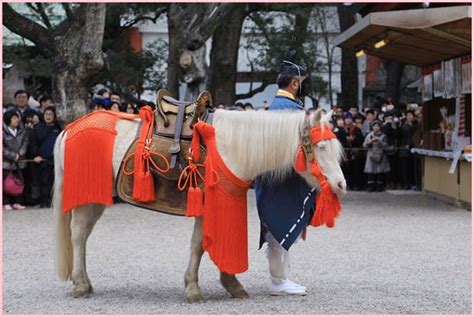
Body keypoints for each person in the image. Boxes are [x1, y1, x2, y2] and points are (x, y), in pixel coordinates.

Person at [254, 54, 312, 296]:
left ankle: (281, 278)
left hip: (273, 177)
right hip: (282, 179)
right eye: (303, 82)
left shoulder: (276, 107)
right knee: (278, 230)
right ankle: (278, 281)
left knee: (278, 228)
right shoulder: (289, 110)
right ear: (295, 83)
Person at [30, 106, 62, 207]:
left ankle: (56, 201)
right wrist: (36, 155)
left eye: (51, 114)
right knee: (44, 181)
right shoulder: (38, 128)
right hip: (42, 159)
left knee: (56, 181)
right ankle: (44, 201)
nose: (48, 116)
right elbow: (33, 143)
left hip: (56, 160)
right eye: (46, 114)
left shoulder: (59, 128)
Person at [3, 110, 29, 210]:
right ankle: (6, 202)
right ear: (8, 120)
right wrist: (13, 156)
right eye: (14, 118)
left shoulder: (21, 130)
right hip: (6, 162)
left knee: (19, 181)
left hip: (20, 161)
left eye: (17, 118)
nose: (17, 120)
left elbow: (25, 142)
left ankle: (18, 201)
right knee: (6, 183)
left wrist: (22, 152)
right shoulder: (3, 131)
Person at [363, 120, 390, 192]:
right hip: (371, 154)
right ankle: (371, 187)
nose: (376, 128)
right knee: (371, 171)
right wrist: (370, 142)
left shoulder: (383, 136)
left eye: (378, 126)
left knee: (379, 171)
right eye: (374, 126)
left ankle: (379, 187)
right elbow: (364, 145)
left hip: (380, 155)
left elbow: (386, 146)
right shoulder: (369, 135)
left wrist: (380, 142)